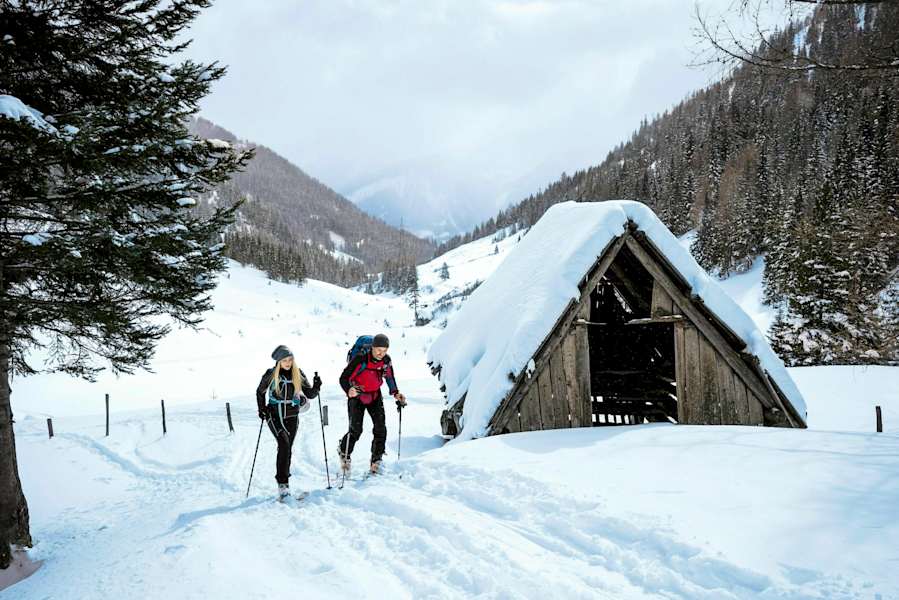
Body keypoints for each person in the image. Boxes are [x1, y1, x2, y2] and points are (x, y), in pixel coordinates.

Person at [256, 344, 321, 500]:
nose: (288, 362)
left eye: (290, 359)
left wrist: (317, 385)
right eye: (284, 360)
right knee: (284, 444)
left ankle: (284, 483)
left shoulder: (297, 373)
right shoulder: (271, 374)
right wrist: (261, 409)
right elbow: (260, 391)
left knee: (287, 449)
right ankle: (283, 486)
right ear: (278, 361)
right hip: (274, 413)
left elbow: (310, 394)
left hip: (293, 415)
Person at [338, 334, 406, 475]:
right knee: (356, 430)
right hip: (357, 394)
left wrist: (396, 393)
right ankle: (344, 453)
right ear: (372, 348)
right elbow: (343, 378)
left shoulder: (386, 361)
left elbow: (390, 377)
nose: (381, 354)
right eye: (378, 350)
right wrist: (348, 390)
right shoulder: (360, 359)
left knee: (380, 428)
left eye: (384, 350)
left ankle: (376, 461)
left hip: (375, 395)